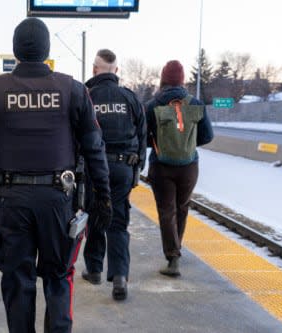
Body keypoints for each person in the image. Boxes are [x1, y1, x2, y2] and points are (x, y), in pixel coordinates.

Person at [0, 17, 112, 333]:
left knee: (17, 280)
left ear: (16, 51)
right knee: (59, 276)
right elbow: (95, 149)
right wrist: (103, 198)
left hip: (11, 202)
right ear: (47, 50)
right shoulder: (73, 90)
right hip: (60, 201)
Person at [81, 49, 146, 301]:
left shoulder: (86, 97)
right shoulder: (130, 98)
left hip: (94, 168)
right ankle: (119, 276)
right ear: (116, 71)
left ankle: (94, 269)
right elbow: (142, 138)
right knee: (118, 220)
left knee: (95, 213)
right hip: (122, 168)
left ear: (95, 69)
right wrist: (138, 167)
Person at [145, 60, 213, 277]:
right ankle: (176, 249)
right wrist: (186, 144)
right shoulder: (195, 103)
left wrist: (159, 143)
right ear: (182, 80)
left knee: (167, 211)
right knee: (182, 208)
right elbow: (207, 136)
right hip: (189, 166)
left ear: (163, 79)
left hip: (161, 166)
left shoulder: (152, 105)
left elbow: (142, 137)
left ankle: (172, 256)